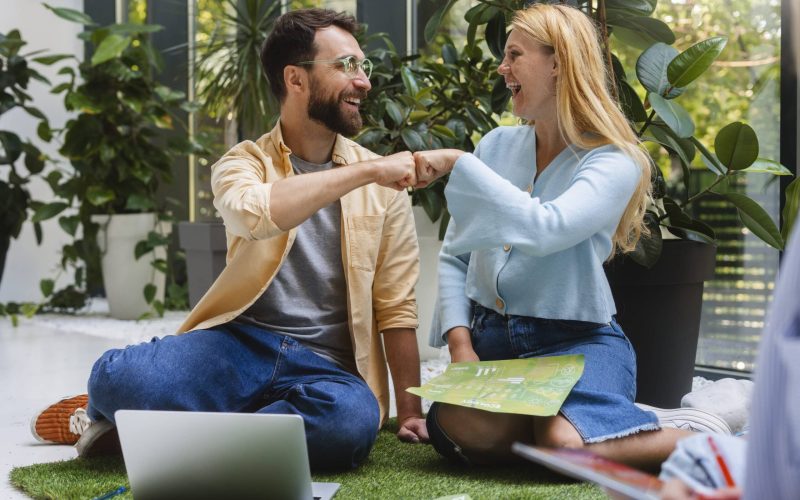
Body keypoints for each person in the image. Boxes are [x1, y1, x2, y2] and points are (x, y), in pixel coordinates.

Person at [30, 8, 428, 470]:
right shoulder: (243, 162)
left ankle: (148, 431)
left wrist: (411, 411)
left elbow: (396, 306)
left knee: (348, 424)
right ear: (295, 80)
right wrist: (368, 171)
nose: (363, 81)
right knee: (117, 381)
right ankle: (119, 412)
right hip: (240, 345)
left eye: (362, 66)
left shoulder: (381, 183)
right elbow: (255, 214)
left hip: (329, 368)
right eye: (345, 66)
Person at [413, 3, 720, 471]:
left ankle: (692, 434)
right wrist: (461, 348)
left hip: (577, 344)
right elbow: (457, 254)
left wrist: (459, 163)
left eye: (514, 54)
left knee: (559, 443)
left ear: (559, 63)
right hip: (492, 343)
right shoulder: (495, 147)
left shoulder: (615, 160)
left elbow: (548, 227)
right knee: (460, 426)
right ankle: (583, 429)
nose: (503, 67)